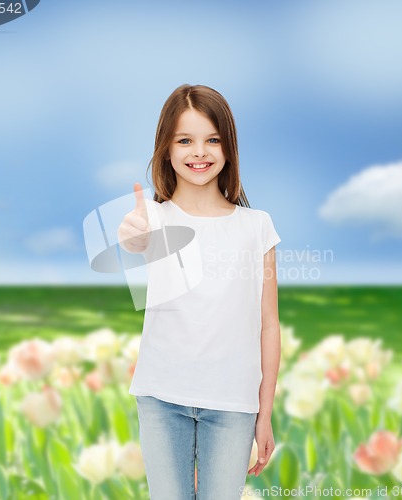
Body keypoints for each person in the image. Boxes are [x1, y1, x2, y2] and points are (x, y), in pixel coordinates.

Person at [118, 84, 281, 500]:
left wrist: (265, 414)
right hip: (161, 397)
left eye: (212, 140)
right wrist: (132, 235)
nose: (200, 152)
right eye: (185, 140)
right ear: (166, 149)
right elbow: (133, 240)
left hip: (233, 404)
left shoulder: (256, 225)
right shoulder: (152, 217)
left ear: (228, 148)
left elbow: (268, 325)